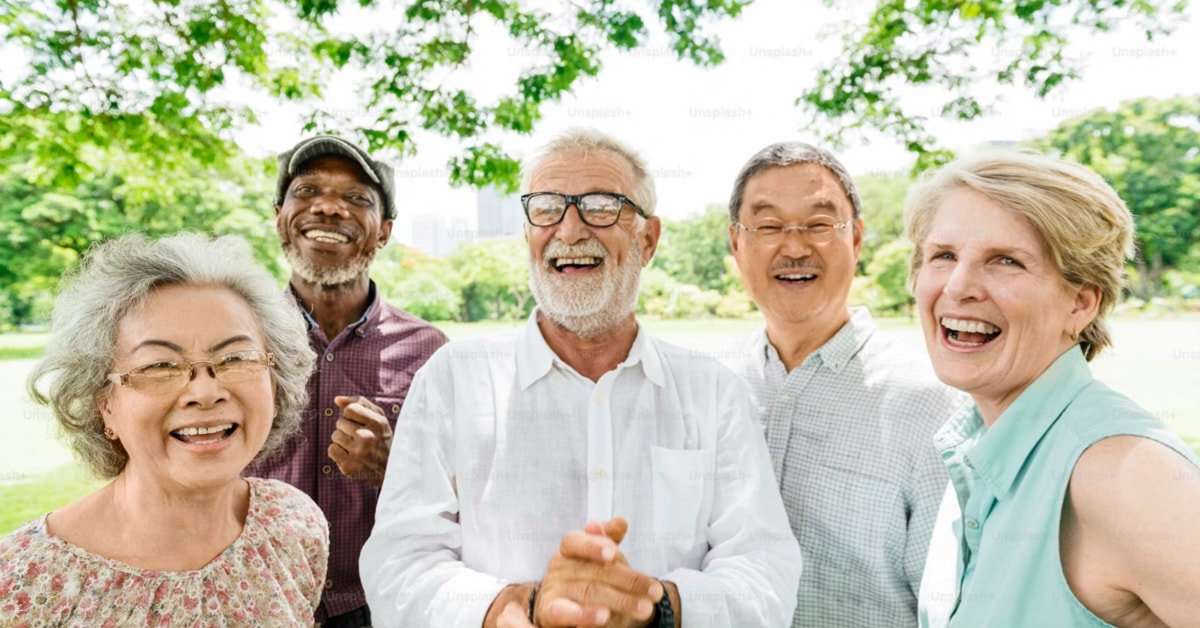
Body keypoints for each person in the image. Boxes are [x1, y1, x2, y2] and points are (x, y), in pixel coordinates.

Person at [360, 128, 802, 628]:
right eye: (547, 208)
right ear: (529, 233)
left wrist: (652, 606)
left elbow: (765, 570)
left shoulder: (713, 392)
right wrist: (526, 607)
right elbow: (399, 566)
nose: (569, 232)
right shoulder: (453, 380)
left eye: (600, 205)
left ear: (648, 239)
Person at [907, 151, 1200, 627]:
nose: (959, 287)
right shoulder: (977, 443)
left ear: (1081, 304)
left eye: (1006, 261)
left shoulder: (1120, 472)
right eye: (944, 256)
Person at [0, 233, 327, 625]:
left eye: (236, 357)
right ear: (103, 401)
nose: (205, 392)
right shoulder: (24, 583)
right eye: (159, 365)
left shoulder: (292, 524)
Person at [722, 141, 966, 627]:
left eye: (818, 224)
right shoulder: (711, 387)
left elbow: (949, 609)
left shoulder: (930, 403)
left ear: (856, 239)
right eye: (769, 226)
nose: (794, 247)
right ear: (736, 244)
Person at [244, 135, 448, 627]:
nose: (329, 208)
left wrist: (393, 465)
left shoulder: (430, 351)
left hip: (380, 603)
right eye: (307, 191)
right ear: (279, 216)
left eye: (356, 198)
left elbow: (461, 500)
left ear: (384, 232)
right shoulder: (234, 337)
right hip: (255, 597)